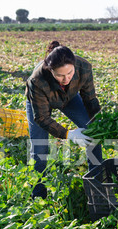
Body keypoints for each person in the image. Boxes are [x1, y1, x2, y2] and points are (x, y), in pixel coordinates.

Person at [25, 41, 103, 199]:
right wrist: (70, 135)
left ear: (74, 65)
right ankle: (38, 197)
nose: (66, 78)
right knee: (39, 149)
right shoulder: (37, 80)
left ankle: (97, 187)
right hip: (41, 100)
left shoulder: (84, 67)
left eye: (70, 73)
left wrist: (100, 123)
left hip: (69, 97)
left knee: (93, 133)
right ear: (51, 70)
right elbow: (41, 118)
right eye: (60, 75)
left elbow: (90, 100)